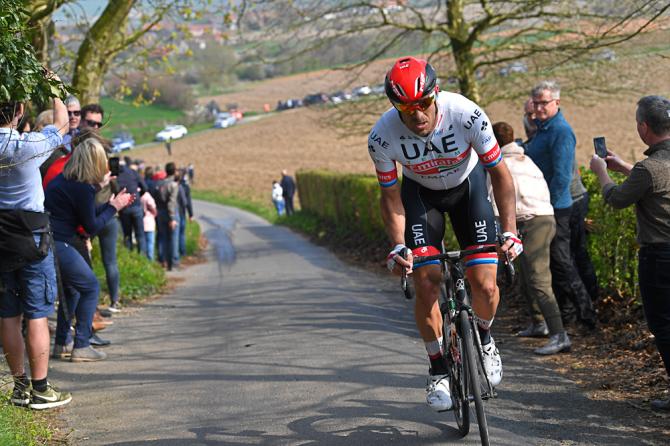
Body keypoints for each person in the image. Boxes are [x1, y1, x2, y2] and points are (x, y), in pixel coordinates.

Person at [367, 56, 521, 412]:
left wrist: (510, 231)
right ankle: (437, 368)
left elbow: (500, 175)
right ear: (395, 107)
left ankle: (483, 338)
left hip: (468, 190)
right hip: (421, 198)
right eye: (406, 108)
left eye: (423, 103)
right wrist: (398, 245)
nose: (418, 115)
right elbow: (390, 198)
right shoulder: (381, 137)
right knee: (427, 282)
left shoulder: (465, 113)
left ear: (436, 94)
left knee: (485, 284)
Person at [589, 95, 670, 411]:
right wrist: (624, 166)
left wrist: (602, 172)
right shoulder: (650, 169)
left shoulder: (650, 168)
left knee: (663, 326)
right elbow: (652, 186)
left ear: (643, 127)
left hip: (660, 259)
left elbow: (618, 198)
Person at [0, 91, 72, 410]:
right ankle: (41, 389)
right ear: (18, 111)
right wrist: (55, 90)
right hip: (33, 240)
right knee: (37, 314)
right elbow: (63, 123)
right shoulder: (27, 146)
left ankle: (19, 387)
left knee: (7, 315)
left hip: (1, 242)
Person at [45, 138, 133, 362]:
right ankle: (82, 344)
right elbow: (92, 226)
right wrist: (114, 207)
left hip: (51, 241)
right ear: (94, 162)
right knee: (90, 287)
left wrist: (109, 204)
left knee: (73, 290)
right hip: (60, 243)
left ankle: (63, 342)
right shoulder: (82, 188)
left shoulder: (66, 181)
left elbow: (87, 215)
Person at [490, 122, 571, 355]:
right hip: (542, 218)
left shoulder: (500, 164)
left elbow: (494, 201)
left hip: (533, 220)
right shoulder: (525, 159)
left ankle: (559, 335)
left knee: (538, 279)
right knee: (526, 275)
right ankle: (539, 323)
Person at [525, 81, 597, 331]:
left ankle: (588, 315)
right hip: (549, 206)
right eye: (536, 102)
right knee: (559, 263)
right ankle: (568, 315)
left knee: (563, 261)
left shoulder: (560, 131)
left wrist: (551, 208)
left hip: (559, 207)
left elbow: (563, 176)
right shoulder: (543, 128)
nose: (540, 107)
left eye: (544, 102)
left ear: (557, 102)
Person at [116, 157, 147, 255]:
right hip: (136, 205)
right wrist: (138, 195)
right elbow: (145, 188)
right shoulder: (133, 172)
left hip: (123, 208)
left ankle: (129, 256)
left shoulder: (115, 175)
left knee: (127, 235)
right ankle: (142, 259)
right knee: (140, 235)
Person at [155, 162, 180, 270]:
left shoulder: (160, 184)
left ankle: (165, 261)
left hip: (160, 213)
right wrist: (173, 218)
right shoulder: (173, 185)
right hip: (171, 213)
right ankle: (174, 263)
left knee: (164, 238)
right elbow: (171, 202)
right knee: (174, 238)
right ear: (174, 171)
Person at [141, 189, 157, 261]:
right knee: (150, 243)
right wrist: (155, 212)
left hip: (141, 221)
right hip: (149, 221)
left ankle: (143, 259)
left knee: (143, 242)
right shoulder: (147, 196)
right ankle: (150, 259)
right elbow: (152, 207)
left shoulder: (139, 195)